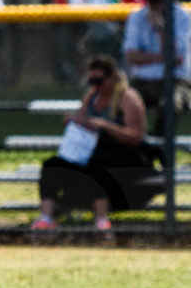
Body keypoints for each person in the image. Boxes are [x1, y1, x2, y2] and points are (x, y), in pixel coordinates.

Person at [30, 55, 158, 234]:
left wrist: (105, 125)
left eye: (99, 80)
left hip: (127, 158)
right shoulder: (92, 97)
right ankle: (46, 218)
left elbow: (135, 137)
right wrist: (75, 122)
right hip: (90, 152)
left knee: (97, 164)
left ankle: (101, 219)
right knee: (52, 165)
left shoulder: (127, 97)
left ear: (111, 77)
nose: (95, 85)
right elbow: (83, 120)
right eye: (92, 81)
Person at [122, 0, 191, 140]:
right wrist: (162, 57)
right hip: (143, 80)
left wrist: (160, 28)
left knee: (170, 106)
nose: (154, 4)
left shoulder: (183, 15)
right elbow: (131, 56)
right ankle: (133, 147)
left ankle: (160, 149)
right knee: (121, 100)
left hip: (176, 80)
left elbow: (176, 59)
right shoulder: (136, 16)